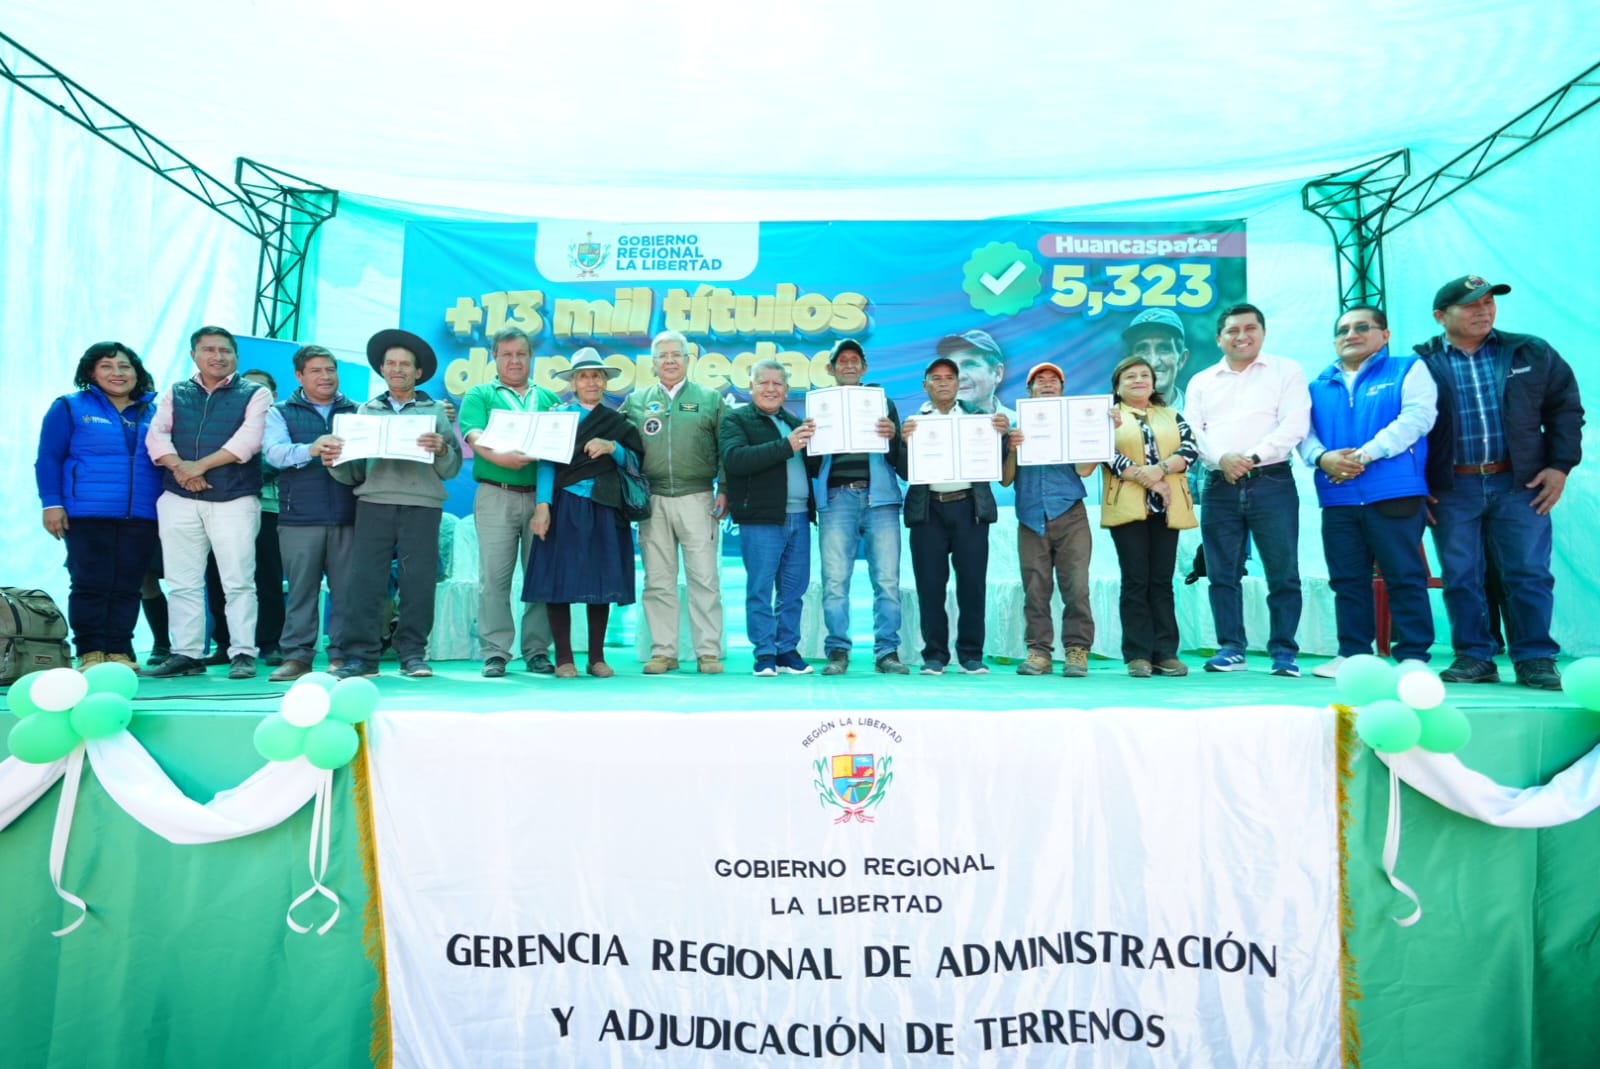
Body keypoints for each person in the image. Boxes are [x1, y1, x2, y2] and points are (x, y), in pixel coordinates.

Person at [1415, 275, 1583, 689]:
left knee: (1528, 571)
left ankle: (1535, 658)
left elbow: (1565, 409)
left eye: (1489, 302)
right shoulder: (1421, 364)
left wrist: (1560, 466)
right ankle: (1475, 656)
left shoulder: (1531, 351)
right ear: (1441, 316)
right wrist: (1417, 486)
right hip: (1452, 488)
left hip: (1520, 483)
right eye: (1471, 305)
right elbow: (1407, 429)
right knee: (1461, 574)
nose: (1484, 310)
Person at [1301, 306, 1437, 677]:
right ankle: (1353, 654)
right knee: (1347, 579)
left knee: (1404, 575)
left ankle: (1413, 657)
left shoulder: (1408, 369)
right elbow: (1304, 434)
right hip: (1338, 496)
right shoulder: (1317, 385)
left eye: (1362, 327)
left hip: (1393, 492)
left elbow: (1418, 417)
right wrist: (1323, 458)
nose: (1351, 334)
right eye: (1343, 329)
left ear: (1385, 335)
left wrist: (1365, 454)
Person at [327, 329, 462, 679]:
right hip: (374, 502)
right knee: (365, 582)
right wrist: (335, 461)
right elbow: (354, 472)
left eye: (405, 364)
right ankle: (361, 657)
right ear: (382, 369)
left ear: (418, 372)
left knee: (418, 582)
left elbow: (451, 469)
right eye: (391, 363)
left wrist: (443, 449)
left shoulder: (435, 412)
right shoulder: (365, 411)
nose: (397, 369)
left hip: (423, 504)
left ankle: (413, 654)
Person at [1184, 302, 1311, 676]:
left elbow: (1294, 425)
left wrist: (1251, 458)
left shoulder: (1286, 371)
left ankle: (1284, 651)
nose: (1242, 336)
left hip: (1272, 481)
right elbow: (1192, 430)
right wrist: (1223, 458)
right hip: (1219, 484)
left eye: (1250, 328)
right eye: (1233, 330)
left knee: (1282, 571)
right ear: (1219, 338)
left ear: (1263, 332)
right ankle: (1231, 648)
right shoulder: (1202, 380)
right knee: (1222, 572)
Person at [145, 326, 272, 679]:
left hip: (234, 499)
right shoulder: (176, 392)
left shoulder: (255, 393)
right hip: (179, 497)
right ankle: (186, 653)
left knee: (238, 581)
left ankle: (242, 651)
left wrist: (196, 467)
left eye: (225, 350)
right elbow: (157, 436)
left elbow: (249, 440)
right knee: (182, 581)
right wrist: (182, 470)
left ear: (236, 356)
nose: (218, 356)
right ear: (194, 355)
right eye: (209, 350)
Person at [34, 342, 164, 669]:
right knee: (90, 583)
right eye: (106, 366)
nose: (117, 373)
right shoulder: (69, 406)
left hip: (142, 515)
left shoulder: (155, 413)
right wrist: (51, 504)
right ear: (91, 372)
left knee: (128, 585)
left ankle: (119, 650)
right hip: (87, 512)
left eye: (125, 366)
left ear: (137, 373)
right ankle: (90, 651)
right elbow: (49, 458)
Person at [524, 348, 643, 679]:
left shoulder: (617, 422)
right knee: (557, 579)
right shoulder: (558, 418)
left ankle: (596, 658)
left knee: (601, 579)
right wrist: (543, 505)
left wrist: (613, 447)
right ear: (573, 383)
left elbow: (636, 462)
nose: (591, 382)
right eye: (584, 376)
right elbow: (546, 462)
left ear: (605, 383)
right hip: (564, 504)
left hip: (605, 506)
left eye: (597, 376)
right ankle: (564, 658)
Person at [622, 330, 728, 675]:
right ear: (653, 363)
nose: (669, 361)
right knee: (657, 580)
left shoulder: (710, 399)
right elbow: (613, 437)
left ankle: (708, 652)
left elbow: (728, 448)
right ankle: (663, 652)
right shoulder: (636, 401)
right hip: (652, 500)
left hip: (697, 497)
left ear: (687, 359)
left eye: (675, 354)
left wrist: (725, 488)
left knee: (704, 578)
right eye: (662, 355)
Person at [458, 326, 561, 677]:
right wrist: (501, 458)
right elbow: (473, 435)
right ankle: (495, 652)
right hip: (495, 493)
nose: (514, 361)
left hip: (541, 499)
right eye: (507, 355)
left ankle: (537, 650)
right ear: (495, 357)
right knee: (494, 578)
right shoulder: (480, 394)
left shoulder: (549, 398)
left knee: (541, 576)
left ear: (531, 357)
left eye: (521, 354)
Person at [901, 355, 1011, 674]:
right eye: (936, 378)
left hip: (969, 508)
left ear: (958, 383)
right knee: (930, 586)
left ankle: (971, 654)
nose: (943, 383)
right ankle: (935, 654)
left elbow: (995, 464)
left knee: (972, 584)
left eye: (949, 377)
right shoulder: (914, 422)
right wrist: (903, 442)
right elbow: (904, 470)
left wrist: (1002, 436)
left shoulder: (980, 418)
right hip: (929, 510)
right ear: (925, 385)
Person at [811, 338, 910, 675]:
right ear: (831, 369)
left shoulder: (883, 403)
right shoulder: (820, 405)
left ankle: (887, 652)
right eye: (843, 361)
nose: (850, 365)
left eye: (856, 360)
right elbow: (812, 463)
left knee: (887, 581)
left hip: (880, 499)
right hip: (837, 498)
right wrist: (811, 438)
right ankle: (837, 650)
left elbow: (901, 462)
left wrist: (894, 436)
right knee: (835, 581)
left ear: (865, 367)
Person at [262, 345, 358, 681]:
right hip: (299, 516)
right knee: (301, 591)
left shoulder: (357, 411)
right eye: (316, 370)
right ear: (299, 375)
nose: (325, 377)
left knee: (347, 592)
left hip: (349, 515)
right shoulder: (280, 412)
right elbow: (274, 453)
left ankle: (342, 655)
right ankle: (298, 656)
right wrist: (311, 449)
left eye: (330, 370)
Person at [721, 358, 821, 677]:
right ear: (751, 386)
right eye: (763, 382)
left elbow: (811, 466)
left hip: (799, 517)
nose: (770, 388)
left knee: (793, 590)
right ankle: (764, 652)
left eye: (777, 383)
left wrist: (820, 444)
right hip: (762, 519)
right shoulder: (736, 420)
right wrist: (786, 446)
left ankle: (787, 650)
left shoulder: (794, 422)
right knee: (761, 589)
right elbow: (735, 460)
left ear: (787, 390)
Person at [1100, 355, 1199, 676]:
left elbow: (1190, 449)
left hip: (1167, 509)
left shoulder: (1172, 415)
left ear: (1154, 383)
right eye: (1130, 376)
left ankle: (1165, 653)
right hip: (1127, 507)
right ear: (1117, 386)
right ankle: (1138, 654)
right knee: (1135, 580)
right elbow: (1105, 453)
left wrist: (1160, 470)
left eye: (1144, 375)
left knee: (1161, 581)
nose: (1138, 380)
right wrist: (1148, 480)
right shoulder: (1108, 418)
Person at [1002, 362, 1097, 677]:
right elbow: (1005, 479)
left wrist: (1098, 434)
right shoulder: (1015, 428)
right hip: (1031, 517)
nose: (1047, 384)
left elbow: (1084, 470)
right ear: (1029, 391)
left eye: (1053, 380)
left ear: (1062, 389)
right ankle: (1039, 652)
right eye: (1039, 380)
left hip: (1070, 513)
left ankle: (1077, 650)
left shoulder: (1076, 423)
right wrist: (1012, 449)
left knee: (1077, 587)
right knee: (1035, 590)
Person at [203, 368, 287, 667]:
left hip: (268, 508)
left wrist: (240, 473)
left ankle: (270, 642)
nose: (254, 394)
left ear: (273, 394)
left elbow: (280, 459)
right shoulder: (222, 419)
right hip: (222, 507)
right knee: (219, 577)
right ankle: (225, 643)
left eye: (261, 388)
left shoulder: (281, 420)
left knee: (267, 576)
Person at [938, 329, 1017, 427]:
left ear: (997, 373)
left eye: (969, 365)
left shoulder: (1020, 426)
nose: (959, 376)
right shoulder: (931, 427)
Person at [1121, 308, 1191, 413]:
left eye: (1164, 349)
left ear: (1182, 359)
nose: (1153, 363)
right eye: (1142, 350)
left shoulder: (1200, 413)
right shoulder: (1111, 416)